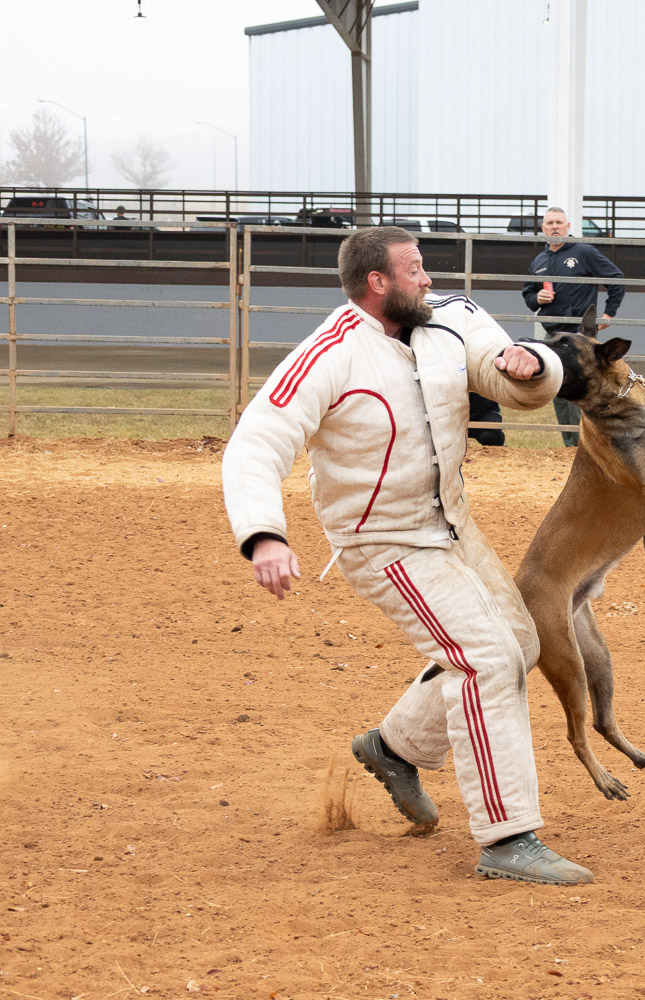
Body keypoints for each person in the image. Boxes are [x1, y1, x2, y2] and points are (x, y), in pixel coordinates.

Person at [222, 226, 594, 886]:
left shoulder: (450, 318)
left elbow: (509, 373)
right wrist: (264, 534)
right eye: (414, 269)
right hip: (382, 541)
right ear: (378, 283)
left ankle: (393, 749)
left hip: (451, 524)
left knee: (519, 642)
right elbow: (257, 441)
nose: (427, 279)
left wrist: (535, 366)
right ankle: (507, 838)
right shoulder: (329, 355)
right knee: (486, 657)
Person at [521, 207, 626, 446]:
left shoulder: (584, 252)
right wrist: (537, 298)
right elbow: (528, 295)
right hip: (554, 335)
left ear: (568, 227)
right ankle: (570, 444)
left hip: (580, 335)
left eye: (559, 222)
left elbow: (616, 279)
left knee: (584, 387)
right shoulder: (539, 261)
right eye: (550, 223)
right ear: (543, 228)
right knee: (556, 387)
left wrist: (609, 312)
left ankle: (591, 443)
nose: (555, 227)